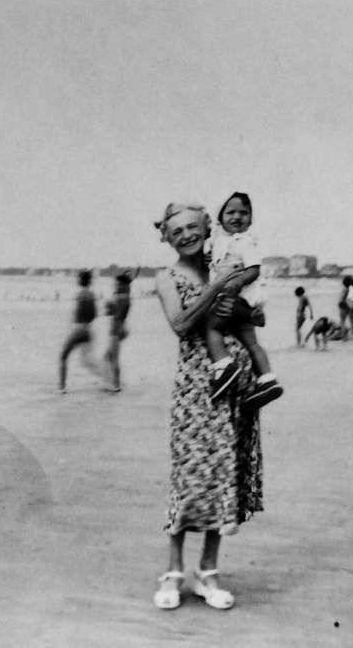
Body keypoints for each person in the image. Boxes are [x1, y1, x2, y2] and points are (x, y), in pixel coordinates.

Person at [152, 201, 264, 612]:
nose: (185, 235)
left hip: (236, 378)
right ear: (165, 235)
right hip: (197, 386)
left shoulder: (225, 259)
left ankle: (208, 571)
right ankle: (173, 570)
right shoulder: (165, 276)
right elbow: (181, 325)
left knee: (225, 474)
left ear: (207, 228)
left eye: (192, 227)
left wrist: (238, 299)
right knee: (189, 475)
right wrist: (219, 287)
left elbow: (256, 316)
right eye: (176, 230)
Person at [203, 192, 282, 410]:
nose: (237, 216)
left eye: (243, 213)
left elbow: (254, 270)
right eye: (231, 212)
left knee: (212, 327)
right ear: (221, 218)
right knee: (251, 341)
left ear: (251, 219)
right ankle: (267, 379)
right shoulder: (219, 241)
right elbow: (212, 260)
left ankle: (223, 365)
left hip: (236, 296)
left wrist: (238, 282)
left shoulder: (245, 242)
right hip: (245, 303)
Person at [58, 269, 101, 393]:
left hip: (78, 329)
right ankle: (108, 379)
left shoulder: (80, 295)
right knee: (87, 361)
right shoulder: (91, 295)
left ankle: (62, 387)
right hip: (89, 329)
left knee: (63, 356)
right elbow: (94, 315)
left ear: (81, 280)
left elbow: (76, 314)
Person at [103, 269, 138, 392]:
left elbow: (110, 313)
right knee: (108, 356)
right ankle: (111, 381)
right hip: (122, 326)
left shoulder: (119, 297)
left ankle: (116, 385)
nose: (115, 285)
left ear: (122, 285)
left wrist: (109, 306)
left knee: (113, 357)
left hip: (116, 327)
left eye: (117, 284)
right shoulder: (126, 296)